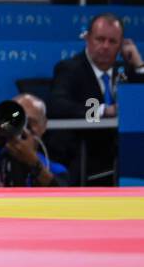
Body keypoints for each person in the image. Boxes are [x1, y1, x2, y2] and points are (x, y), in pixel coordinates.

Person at [47, 14, 144, 184]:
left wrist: (139, 66)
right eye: (100, 39)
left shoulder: (126, 71)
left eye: (112, 41)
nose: (105, 46)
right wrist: (103, 111)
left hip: (119, 152)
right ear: (87, 39)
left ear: (121, 45)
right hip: (81, 152)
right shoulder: (70, 68)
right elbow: (57, 105)